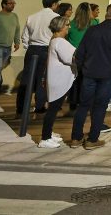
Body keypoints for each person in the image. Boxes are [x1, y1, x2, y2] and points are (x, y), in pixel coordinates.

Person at [69, 3, 111, 149]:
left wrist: (82, 68)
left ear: (106, 14)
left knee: (83, 105)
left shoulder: (92, 30)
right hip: (109, 74)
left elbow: (80, 52)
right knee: (100, 106)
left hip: (89, 73)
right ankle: (92, 139)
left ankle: (76, 138)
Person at [17, 0, 61, 116]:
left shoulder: (32, 16)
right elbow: (57, 36)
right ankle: (40, 106)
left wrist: (29, 46)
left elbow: (24, 36)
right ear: (54, 4)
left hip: (32, 49)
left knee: (26, 79)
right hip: (46, 49)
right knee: (43, 79)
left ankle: (21, 108)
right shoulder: (56, 17)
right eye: (57, 4)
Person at [38, 16, 75, 148]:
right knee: (52, 109)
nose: (69, 27)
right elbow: (70, 58)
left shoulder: (55, 40)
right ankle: (45, 138)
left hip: (56, 79)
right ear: (60, 27)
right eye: (67, 25)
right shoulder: (59, 41)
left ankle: (48, 133)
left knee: (53, 109)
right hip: (59, 80)